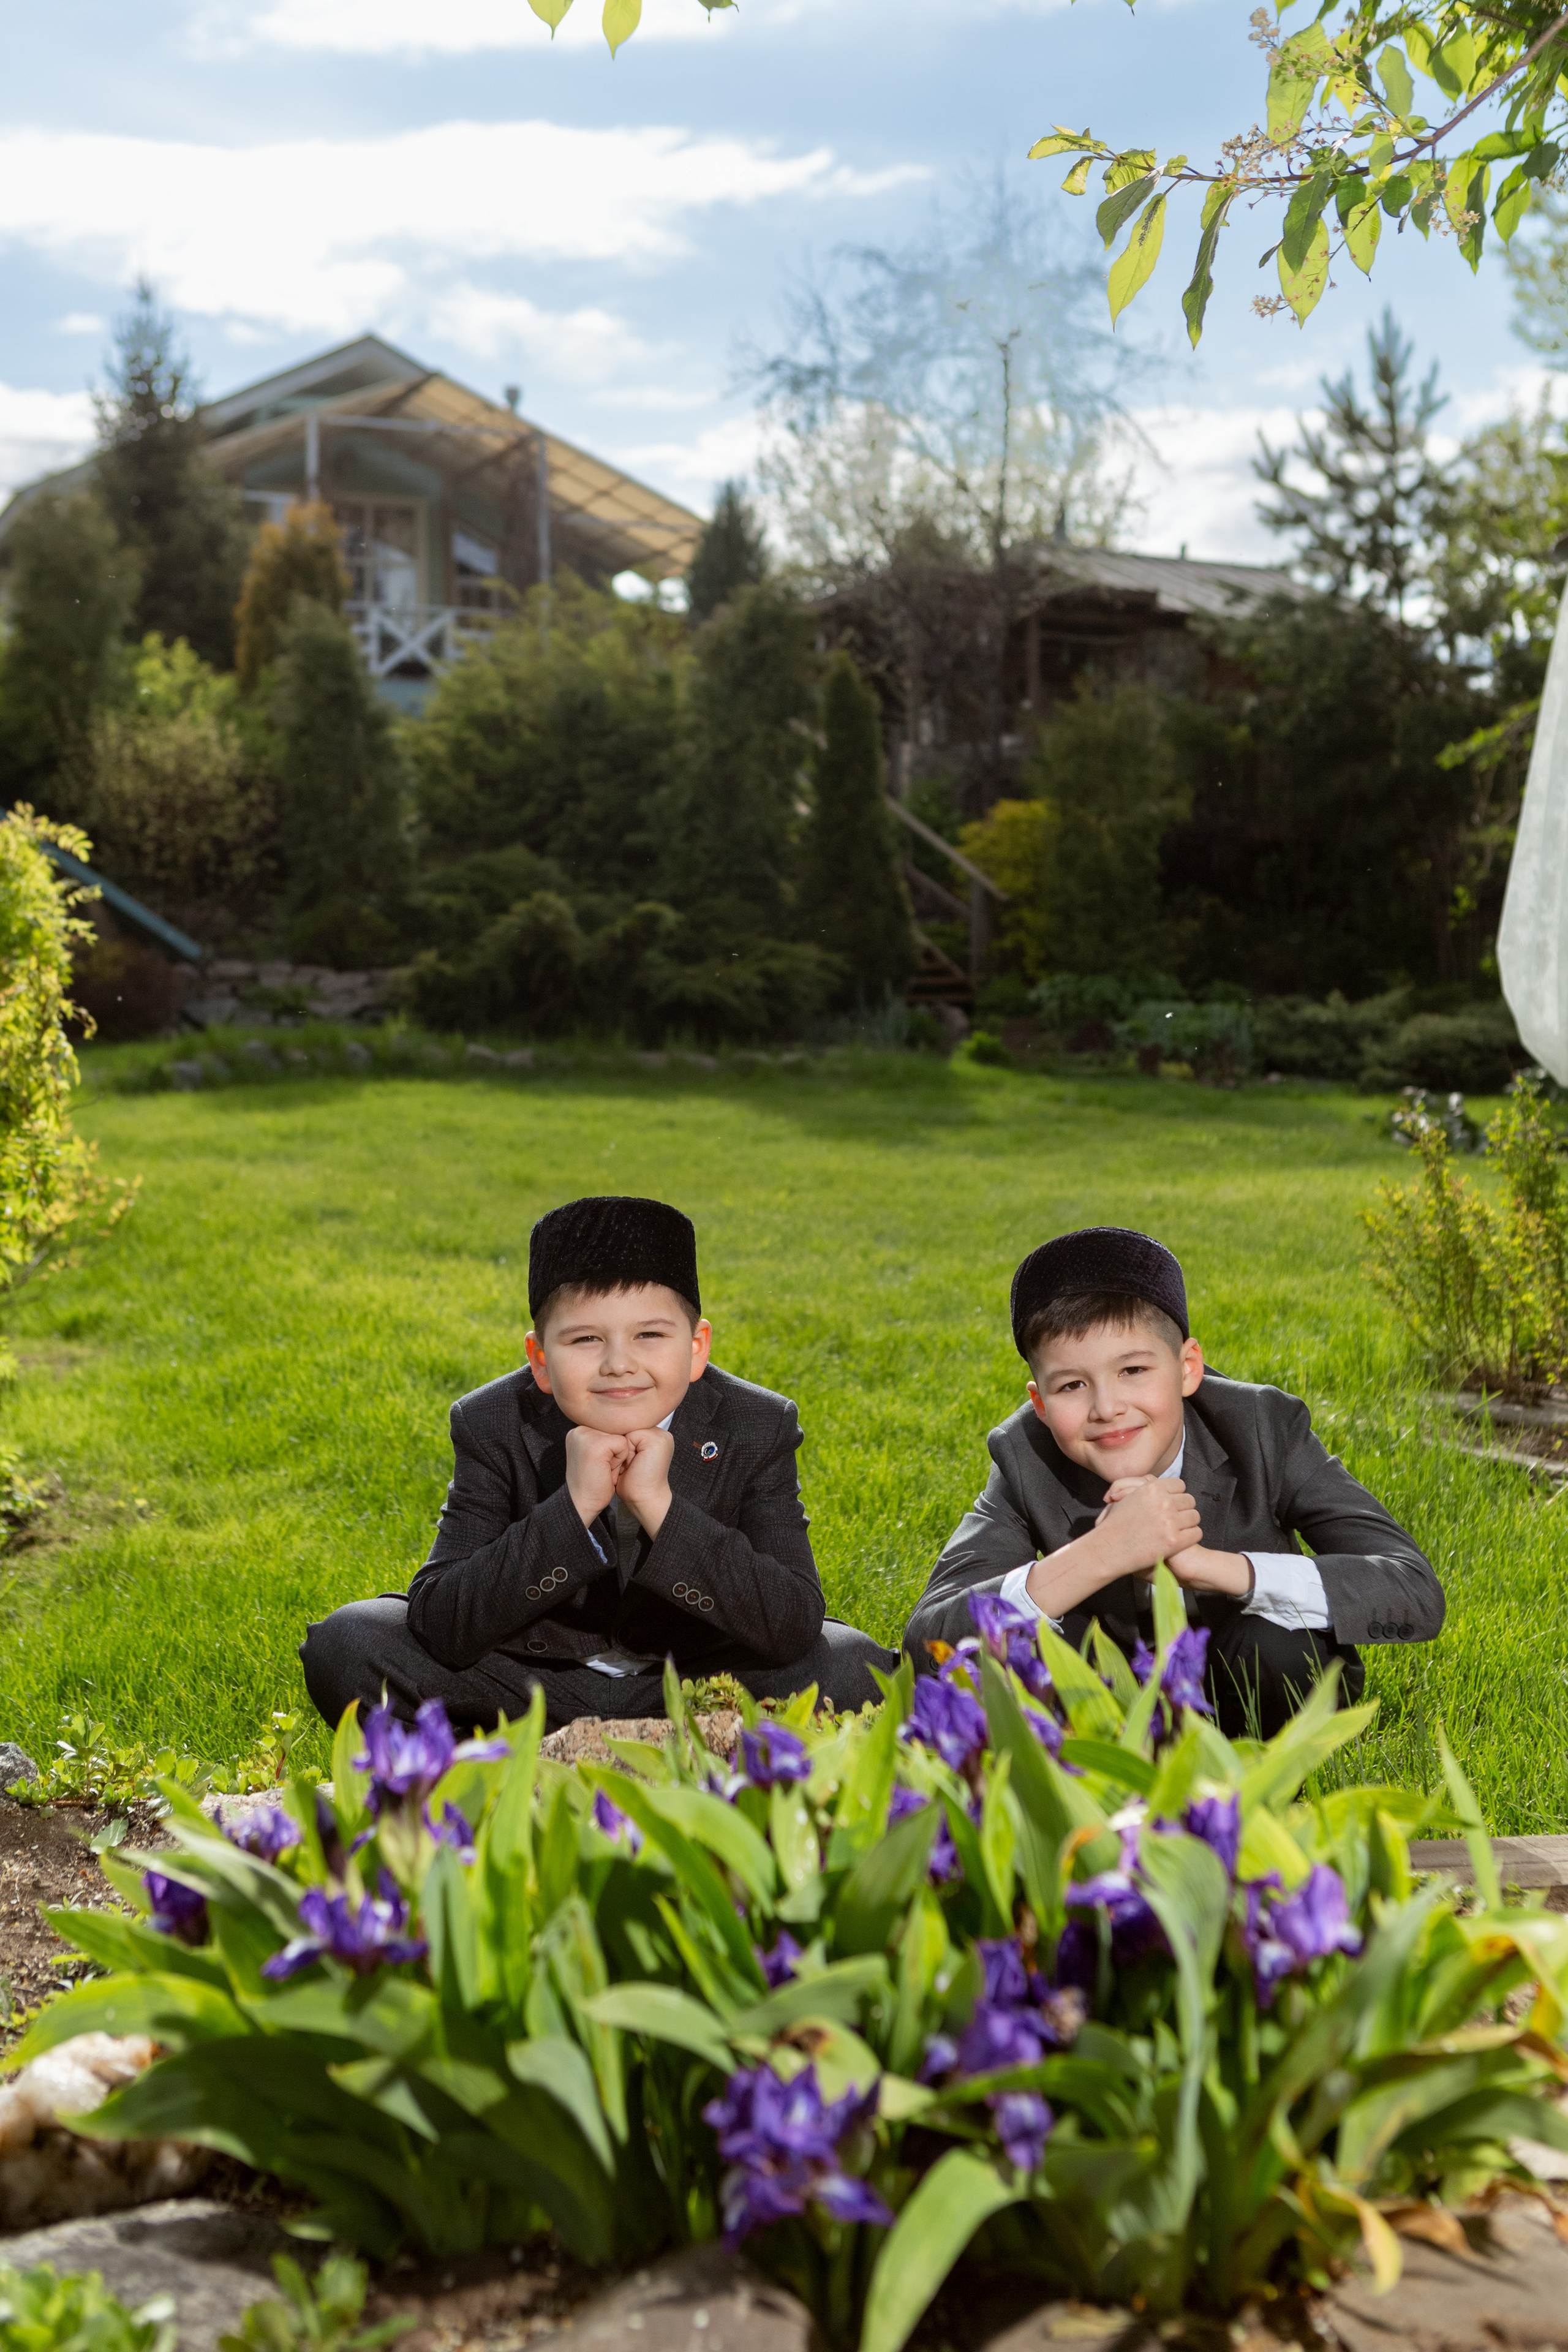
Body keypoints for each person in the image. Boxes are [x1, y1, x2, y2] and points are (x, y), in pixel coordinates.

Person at [301, 1193, 896, 1730]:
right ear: (540, 1358)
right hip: (533, 1681)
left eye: (649, 1336)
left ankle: (705, 1757)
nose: (618, 1364)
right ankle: (485, 1776)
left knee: (854, 1666)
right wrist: (572, 1509)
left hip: (694, 1678)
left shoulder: (755, 1423)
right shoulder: (491, 1421)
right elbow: (443, 1621)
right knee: (350, 1642)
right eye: (585, 1340)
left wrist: (660, 1507)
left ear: (696, 1349)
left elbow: (792, 1622)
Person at [903, 1224, 1443, 1736]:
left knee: (1276, 1645)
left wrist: (1212, 1567)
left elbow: (1411, 1588)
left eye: (1133, 1371)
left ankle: (1261, 1800)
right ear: (1040, 1403)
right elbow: (927, 1641)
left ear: (1188, 1368)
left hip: (1251, 1684)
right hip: (1110, 1706)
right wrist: (1104, 1552)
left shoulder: (1262, 1426)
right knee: (1034, 1645)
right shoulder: (1025, 1456)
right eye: (1072, 1385)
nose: (1108, 1408)